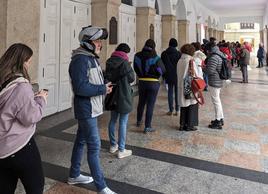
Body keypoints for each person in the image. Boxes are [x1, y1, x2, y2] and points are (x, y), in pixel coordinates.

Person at [68, 26, 116, 194]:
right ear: (87, 42)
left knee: (81, 141)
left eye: (100, 41)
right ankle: (101, 186)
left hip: (92, 108)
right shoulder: (80, 59)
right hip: (86, 109)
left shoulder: (90, 57)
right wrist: (101, 89)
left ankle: (74, 175)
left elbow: (93, 80)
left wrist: (104, 84)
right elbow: (80, 88)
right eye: (97, 41)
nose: (100, 44)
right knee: (94, 147)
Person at [0, 43, 48, 194]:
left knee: (4, 189)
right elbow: (31, 117)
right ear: (21, 61)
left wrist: (29, 100)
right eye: (28, 61)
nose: (29, 64)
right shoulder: (21, 87)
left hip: (1, 149)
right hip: (19, 146)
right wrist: (41, 99)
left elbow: (11, 106)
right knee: (36, 186)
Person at [105, 43, 135, 159]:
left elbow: (107, 76)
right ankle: (121, 149)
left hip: (112, 93)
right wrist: (128, 67)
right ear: (125, 53)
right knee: (123, 121)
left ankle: (113, 145)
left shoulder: (109, 61)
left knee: (112, 120)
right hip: (123, 94)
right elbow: (132, 78)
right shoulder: (125, 63)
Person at [134, 39, 166, 133]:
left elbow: (135, 67)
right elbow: (162, 70)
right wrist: (156, 75)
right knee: (150, 105)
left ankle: (139, 121)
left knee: (141, 102)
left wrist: (140, 75)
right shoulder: (156, 57)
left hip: (142, 82)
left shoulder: (137, 55)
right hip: (153, 83)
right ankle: (147, 127)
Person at [177, 44, 199, 131]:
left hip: (181, 85)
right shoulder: (190, 61)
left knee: (183, 106)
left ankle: (182, 124)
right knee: (191, 105)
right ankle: (190, 125)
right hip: (190, 87)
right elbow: (195, 75)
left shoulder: (180, 60)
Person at [205, 42, 226, 129]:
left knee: (216, 101)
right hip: (218, 81)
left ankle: (218, 121)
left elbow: (210, 71)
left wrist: (202, 68)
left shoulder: (214, 57)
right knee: (217, 100)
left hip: (215, 81)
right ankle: (220, 118)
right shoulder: (219, 54)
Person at [161, 38, 181, 116]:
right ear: (176, 45)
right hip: (177, 75)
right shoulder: (179, 54)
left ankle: (170, 110)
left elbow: (161, 65)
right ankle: (177, 110)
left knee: (170, 92)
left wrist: (163, 75)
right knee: (177, 92)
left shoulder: (164, 53)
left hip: (168, 75)